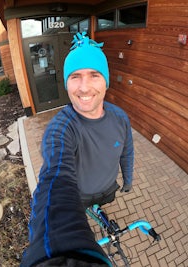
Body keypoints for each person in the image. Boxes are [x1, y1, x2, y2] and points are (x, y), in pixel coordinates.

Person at [20, 32, 134, 267]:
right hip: (77, 197)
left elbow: (127, 152)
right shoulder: (60, 129)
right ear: (66, 82)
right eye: (75, 76)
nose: (84, 87)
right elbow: (55, 177)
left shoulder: (120, 118)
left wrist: (128, 180)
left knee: (102, 206)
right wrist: (60, 252)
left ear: (106, 80)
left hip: (109, 189)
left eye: (94, 75)